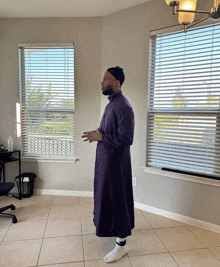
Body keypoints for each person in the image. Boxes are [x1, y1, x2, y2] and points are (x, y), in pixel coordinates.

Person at [82, 66, 135, 263]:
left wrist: (102, 136)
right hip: (106, 162)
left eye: (105, 79)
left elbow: (126, 138)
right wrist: (99, 131)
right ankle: (114, 233)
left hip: (115, 166)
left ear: (116, 83)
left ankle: (122, 246)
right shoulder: (112, 104)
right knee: (107, 199)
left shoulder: (124, 106)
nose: (102, 82)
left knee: (117, 201)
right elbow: (109, 131)